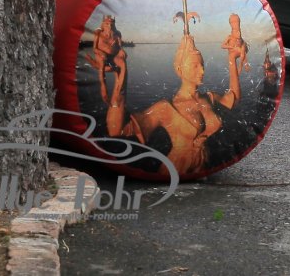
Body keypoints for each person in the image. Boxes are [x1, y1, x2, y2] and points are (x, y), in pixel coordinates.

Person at [104, 20, 244, 179]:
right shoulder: (166, 108)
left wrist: (232, 59)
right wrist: (122, 73)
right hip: (175, 171)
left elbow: (234, 98)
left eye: (202, 65)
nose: (202, 71)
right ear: (179, 69)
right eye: (195, 66)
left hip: (204, 171)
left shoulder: (208, 98)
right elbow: (116, 130)